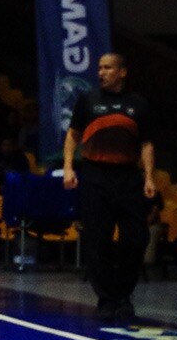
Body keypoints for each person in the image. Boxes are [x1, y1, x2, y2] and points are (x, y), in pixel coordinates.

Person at [63, 53, 156, 322]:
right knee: (97, 239)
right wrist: (69, 167)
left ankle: (123, 294)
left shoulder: (138, 104)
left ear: (122, 72)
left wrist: (149, 176)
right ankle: (106, 298)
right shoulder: (88, 101)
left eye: (107, 68)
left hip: (128, 176)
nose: (101, 72)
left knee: (137, 237)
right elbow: (72, 136)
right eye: (100, 68)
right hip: (95, 176)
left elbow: (146, 143)